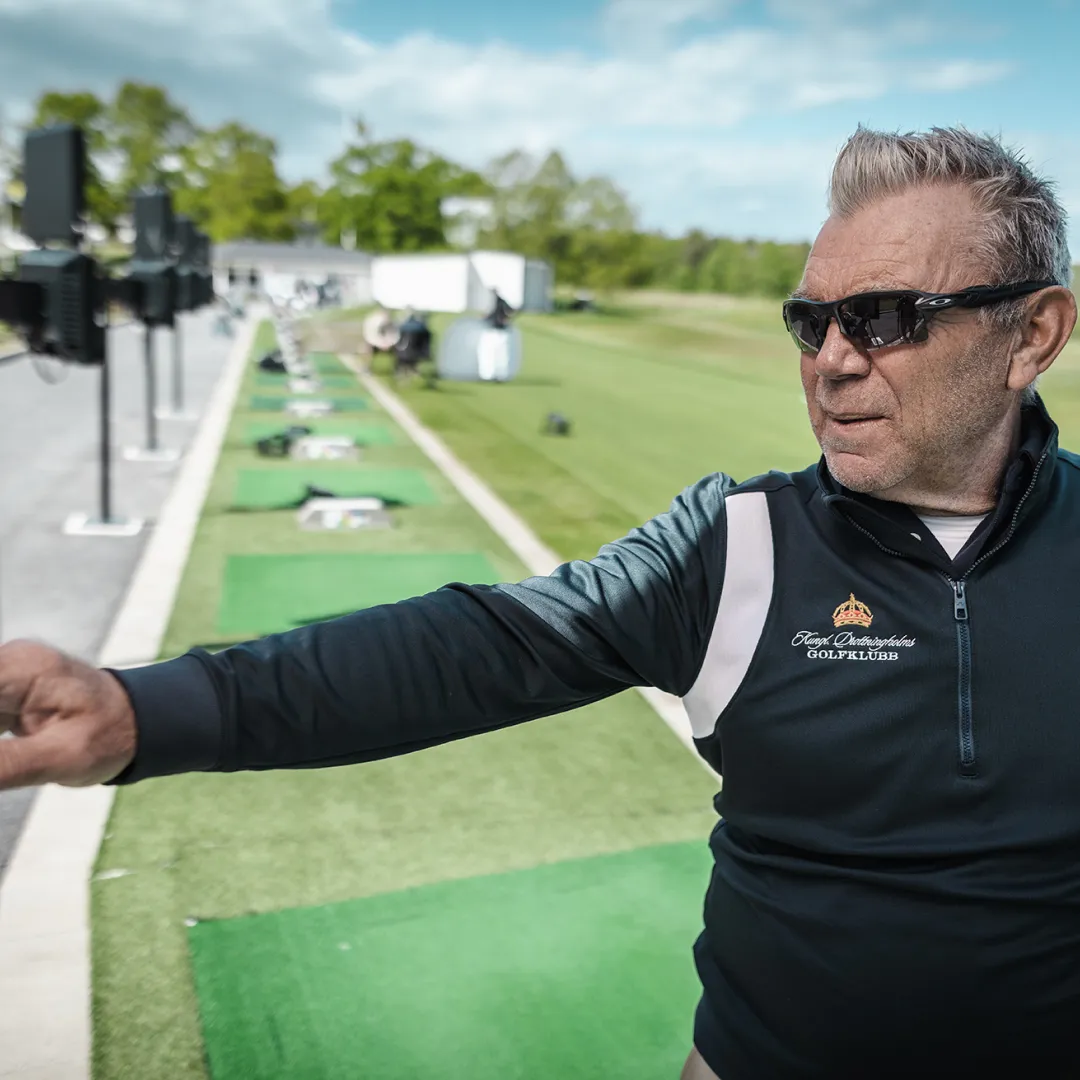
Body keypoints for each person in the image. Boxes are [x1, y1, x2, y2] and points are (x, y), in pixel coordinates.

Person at [1, 125, 1078, 1079]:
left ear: (1032, 335)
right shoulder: (736, 544)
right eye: (812, 320)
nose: (833, 361)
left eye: (885, 318)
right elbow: (468, 649)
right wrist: (139, 713)